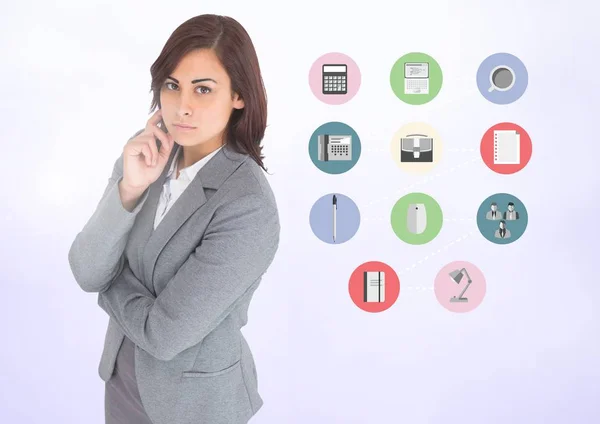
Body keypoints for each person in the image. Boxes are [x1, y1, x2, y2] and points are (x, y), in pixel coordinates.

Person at [67, 14, 280, 424]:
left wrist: (111, 284)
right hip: (122, 383)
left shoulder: (247, 203)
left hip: (193, 404)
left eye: (203, 89)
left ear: (239, 95)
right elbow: (85, 268)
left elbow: (164, 336)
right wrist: (129, 189)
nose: (182, 107)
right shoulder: (145, 157)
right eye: (172, 85)